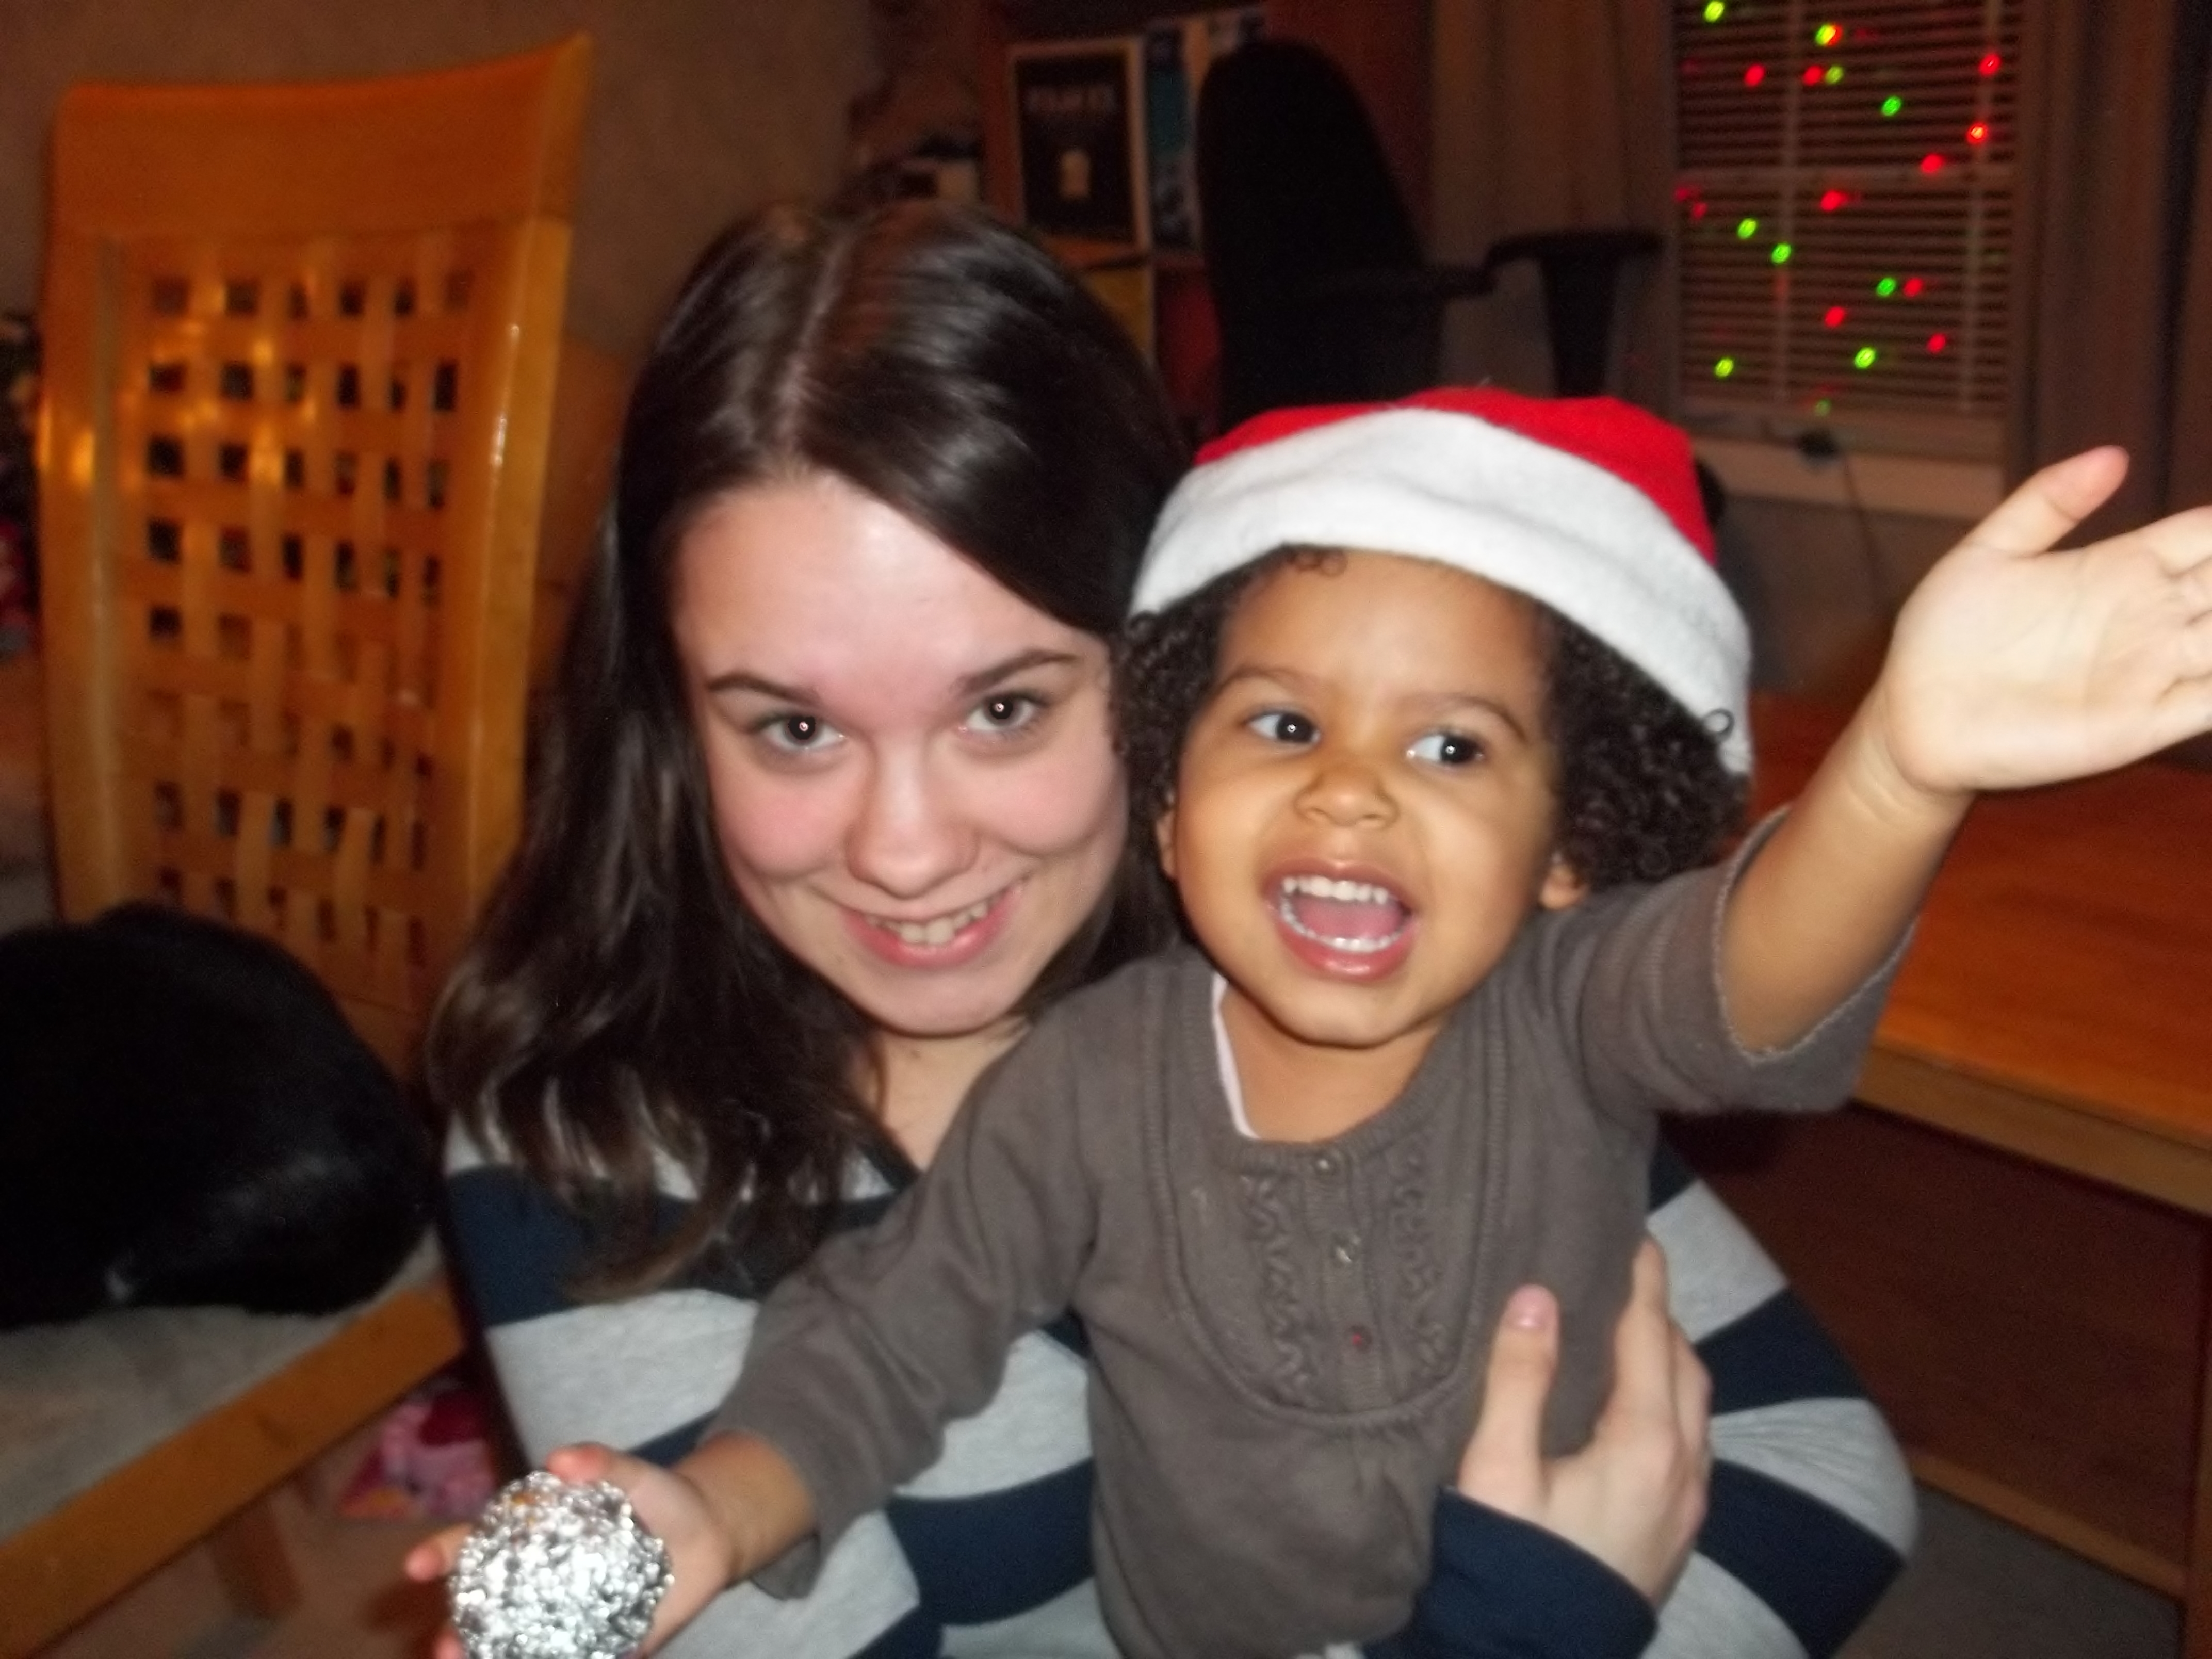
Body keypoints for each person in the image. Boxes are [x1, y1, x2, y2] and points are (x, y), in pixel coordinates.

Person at [416, 202, 1920, 1658]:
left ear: (1158, 673)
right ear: (673, 725)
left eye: (1006, 707)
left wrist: (1910, 775)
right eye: (795, 727)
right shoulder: (587, 1150)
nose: (908, 850)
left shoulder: (1333, 976)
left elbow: (1822, 1459)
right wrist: (607, 1567)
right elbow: (747, 1473)